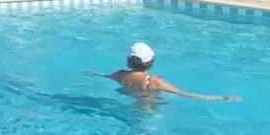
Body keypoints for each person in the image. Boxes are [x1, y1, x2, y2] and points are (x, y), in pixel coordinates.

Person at [86, 42, 240, 102]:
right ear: (151, 62)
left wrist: (92, 73)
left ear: (129, 61)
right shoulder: (154, 81)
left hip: (131, 97)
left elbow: (104, 76)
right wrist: (225, 98)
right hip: (149, 103)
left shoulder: (120, 75)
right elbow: (187, 94)